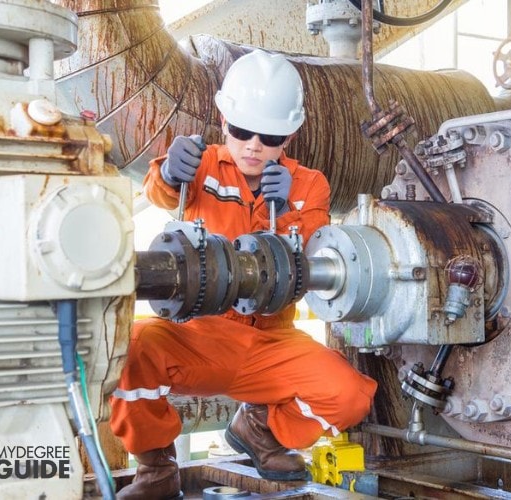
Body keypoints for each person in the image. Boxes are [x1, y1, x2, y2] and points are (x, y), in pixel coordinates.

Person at [110, 49, 378, 499]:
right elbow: (160, 192)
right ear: (223, 118)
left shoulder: (309, 185)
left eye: (269, 136)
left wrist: (288, 209)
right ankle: (156, 468)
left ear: (290, 133)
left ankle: (259, 428)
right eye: (241, 131)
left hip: (272, 341)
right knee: (127, 352)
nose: (253, 145)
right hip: (200, 334)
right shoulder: (204, 165)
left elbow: (312, 253)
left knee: (350, 396)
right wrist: (169, 174)